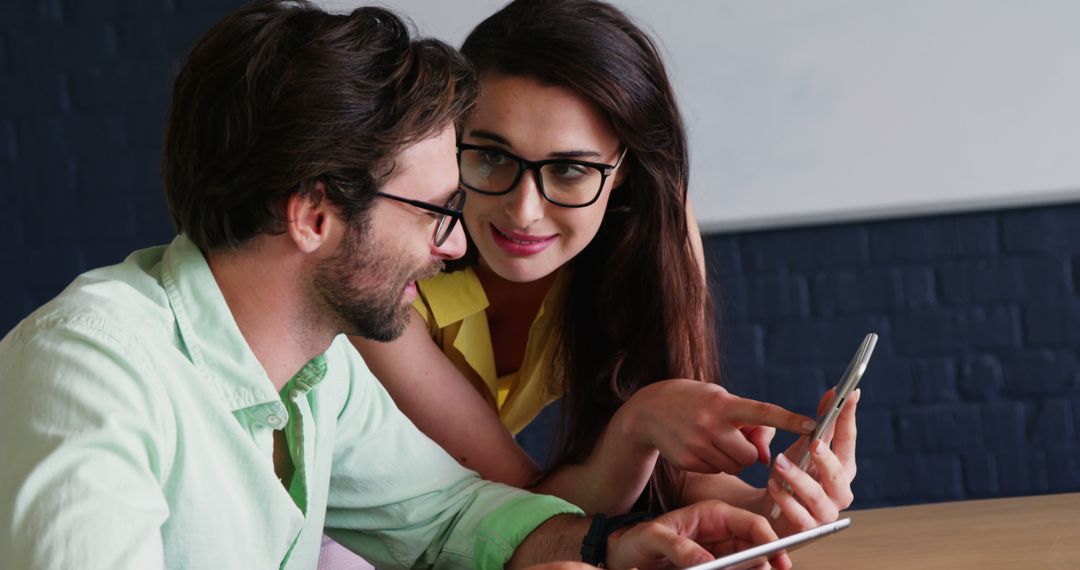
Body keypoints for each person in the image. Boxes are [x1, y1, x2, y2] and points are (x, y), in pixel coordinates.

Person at [0, 1, 797, 568]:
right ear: (315, 214)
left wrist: (614, 548)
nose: (455, 245)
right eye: (434, 210)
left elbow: (455, 518)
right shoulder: (90, 373)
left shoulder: (322, 371)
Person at [352, 0, 859, 533]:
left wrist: (778, 500)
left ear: (622, 170)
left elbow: (670, 471)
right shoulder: (387, 269)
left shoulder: (645, 233)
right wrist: (636, 427)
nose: (524, 211)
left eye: (570, 169)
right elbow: (523, 515)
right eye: (492, 156)